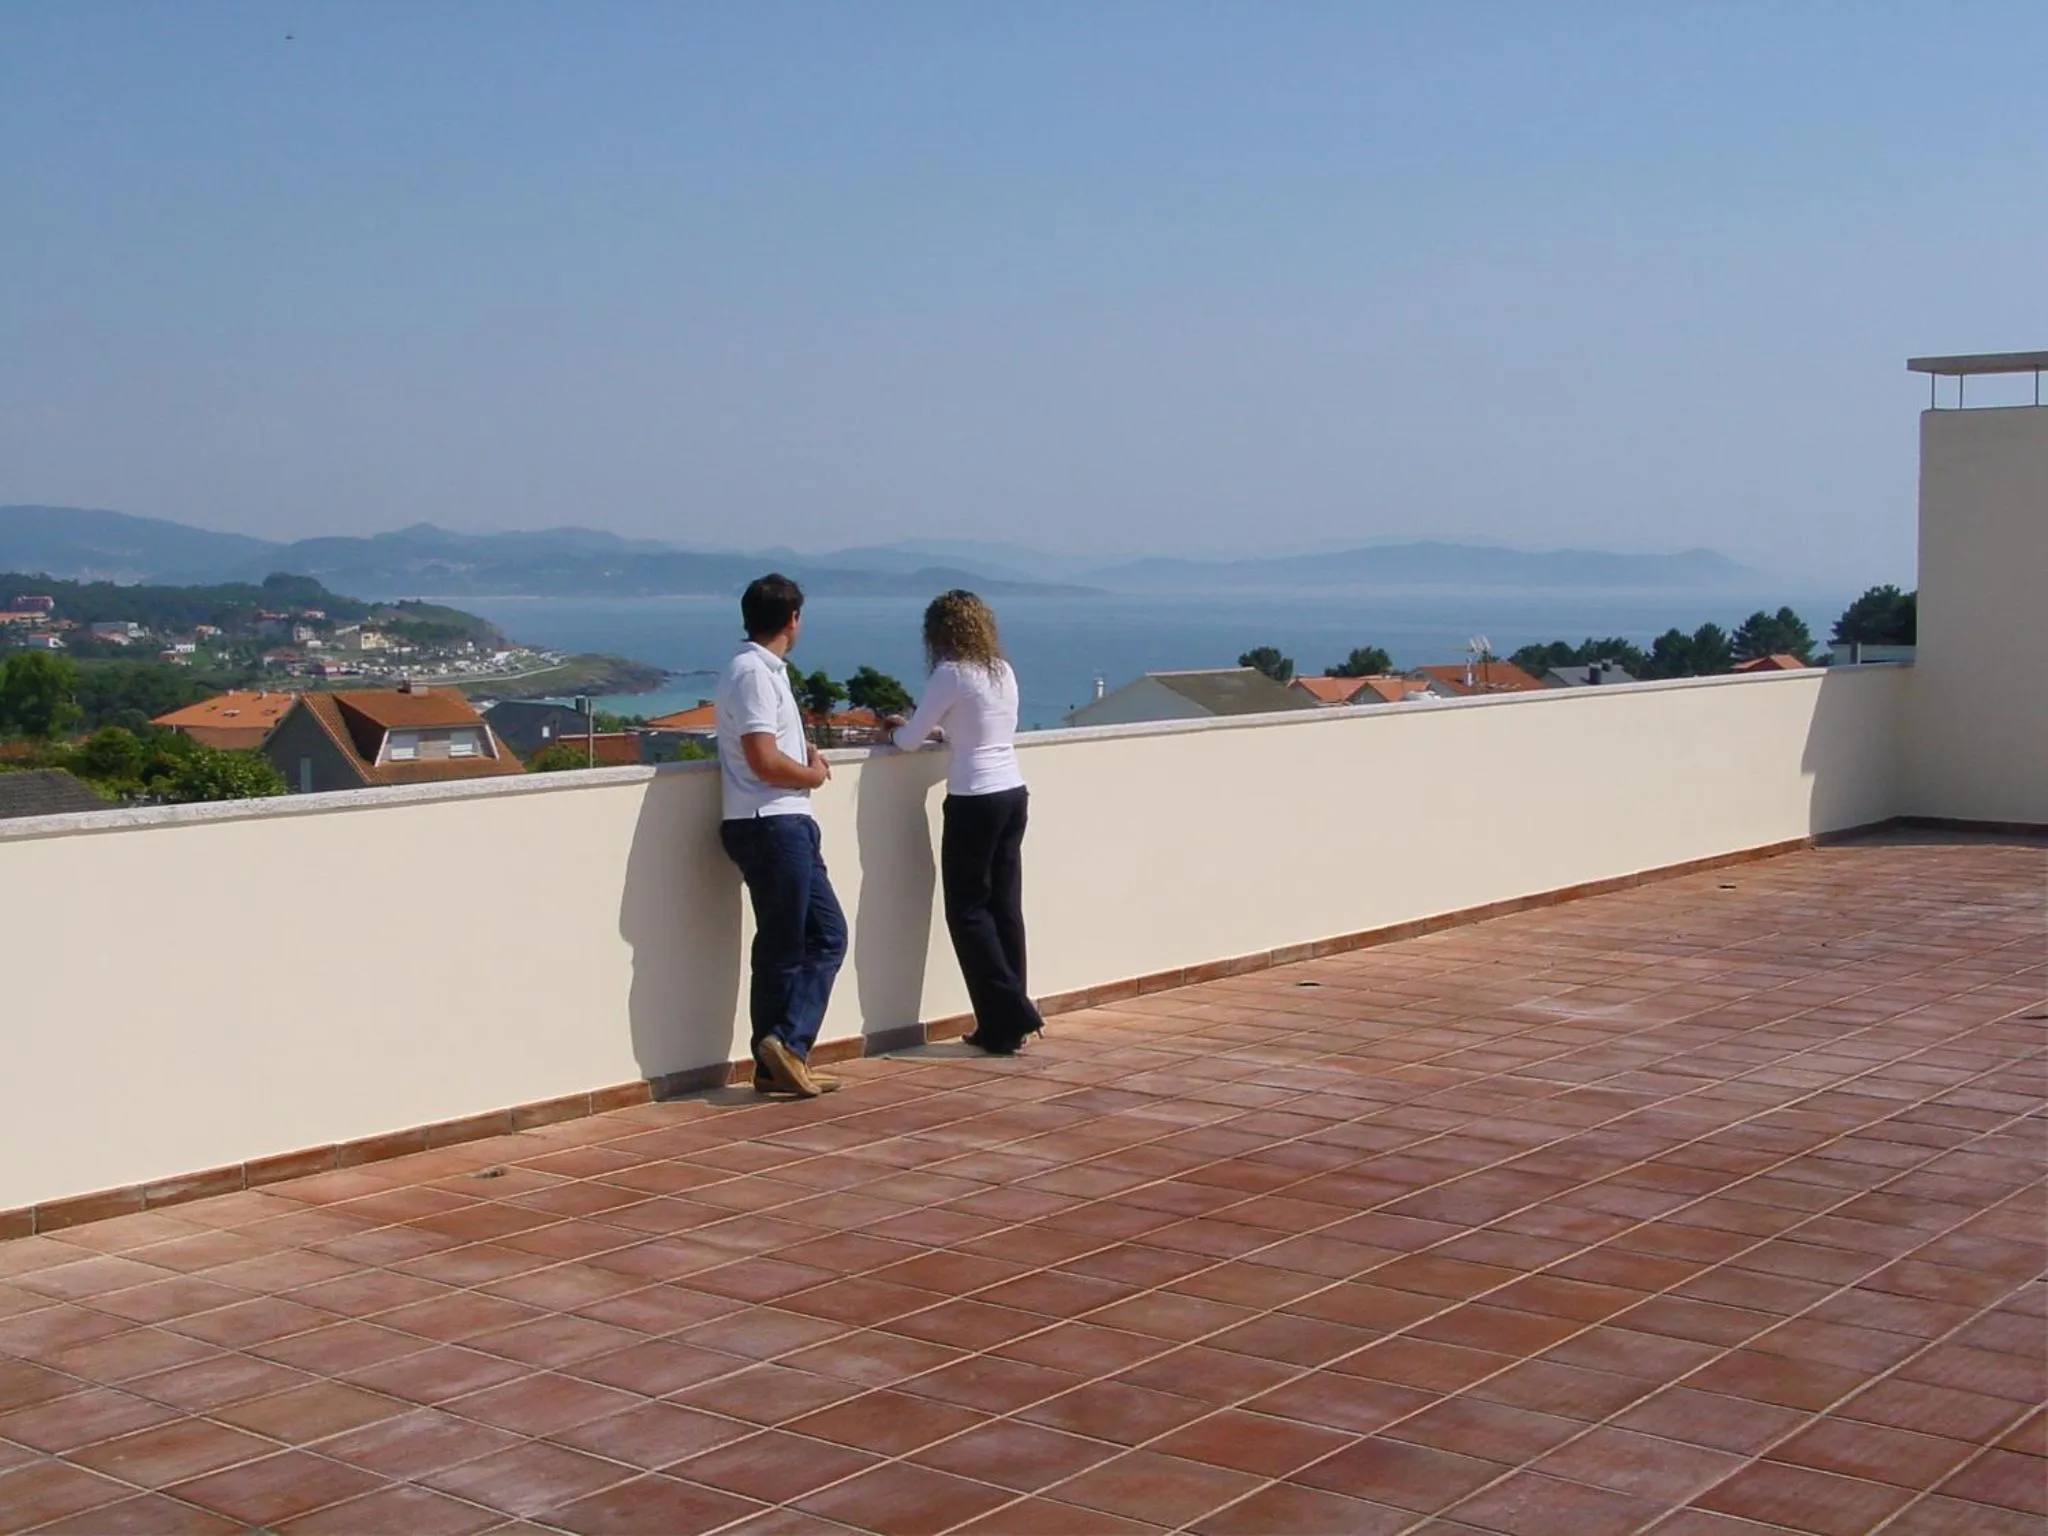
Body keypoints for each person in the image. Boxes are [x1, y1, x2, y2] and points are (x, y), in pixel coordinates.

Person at [886, 590, 1044, 1055]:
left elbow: (909, 742)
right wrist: (946, 731)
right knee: (1004, 908)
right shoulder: (1001, 672)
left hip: (974, 798)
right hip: (1012, 792)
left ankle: (1010, 1011)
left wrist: (895, 728)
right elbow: (983, 730)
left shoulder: (950, 673)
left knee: (968, 911)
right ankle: (1005, 1022)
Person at [714, 573, 845, 1097]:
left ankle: (778, 1060)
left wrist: (803, 766)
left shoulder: (765, 671)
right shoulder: (753, 673)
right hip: (771, 822)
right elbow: (763, 759)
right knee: (798, 943)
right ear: (793, 619)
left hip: (782, 821)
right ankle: (786, 1045)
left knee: (803, 939)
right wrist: (811, 775)